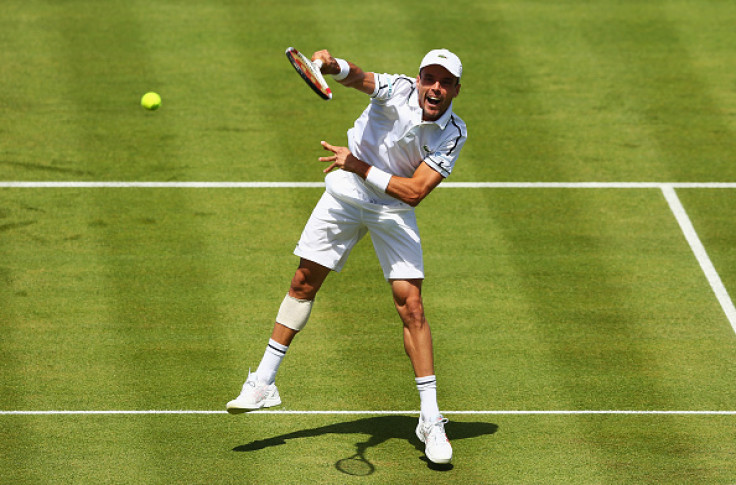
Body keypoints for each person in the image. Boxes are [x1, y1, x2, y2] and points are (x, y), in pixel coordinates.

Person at [226, 48, 467, 465]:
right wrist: (331, 65)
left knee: (411, 306)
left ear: (456, 90)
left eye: (445, 82)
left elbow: (414, 191)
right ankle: (263, 382)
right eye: (430, 78)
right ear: (419, 78)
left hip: (392, 208)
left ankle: (430, 418)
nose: (435, 88)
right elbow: (359, 77)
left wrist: (356, 163)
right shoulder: (397, 89)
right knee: (303, 281)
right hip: (345, 197)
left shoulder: (453, 132)